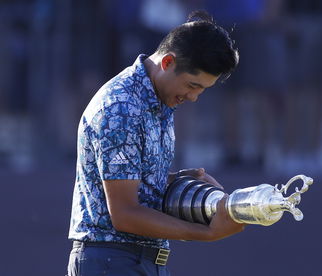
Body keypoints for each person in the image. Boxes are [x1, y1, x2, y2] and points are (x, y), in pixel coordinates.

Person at [67, 10, 245, 276]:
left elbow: (130, 186)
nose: (194, 97)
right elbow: (125, 213)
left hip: (137, 261)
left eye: (202, 90)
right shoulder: (122, 107)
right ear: (168, 62)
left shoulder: (158, 98)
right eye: (192, 85)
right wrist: (206, 233)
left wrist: (174, 181)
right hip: (111, 262)